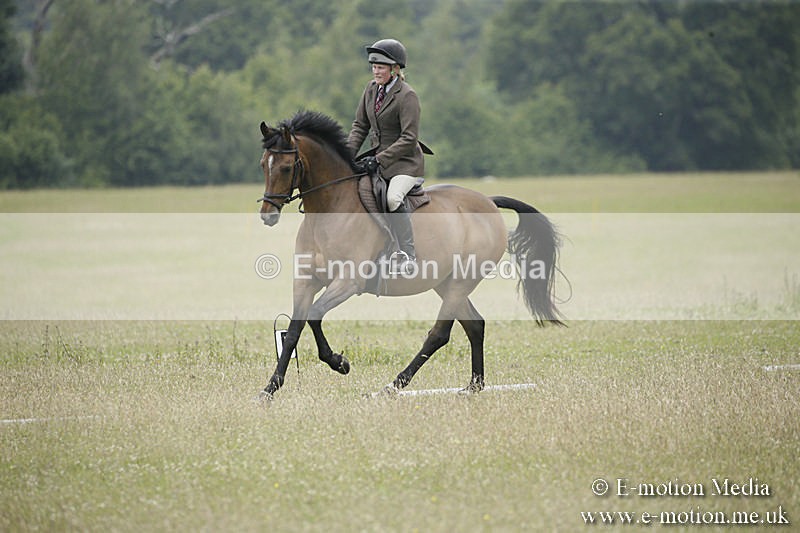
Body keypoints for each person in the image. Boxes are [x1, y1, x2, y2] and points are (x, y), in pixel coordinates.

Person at [348, 38, 426, 275]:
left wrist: (380, 159)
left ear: (395, 69)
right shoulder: (371, 89)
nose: (376, 70)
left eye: (381, 66)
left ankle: (407, 255)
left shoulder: (407, 96)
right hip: (376, 162)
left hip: (404, 164)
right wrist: (344, 157)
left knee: (392, 198)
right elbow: (360, 126)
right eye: (373, 66)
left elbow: (409, 138)